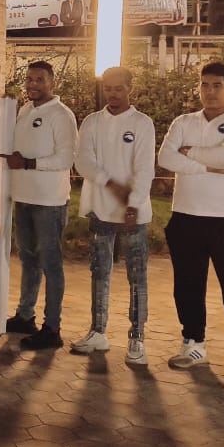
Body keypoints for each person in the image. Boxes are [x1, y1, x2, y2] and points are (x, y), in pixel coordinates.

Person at [158, 62, 224, 383]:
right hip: (186, 216)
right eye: (204, 85)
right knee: (187, 285)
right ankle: (193, 344)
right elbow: (165, 158)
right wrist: (207, 166)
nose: (210, 91)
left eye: (217, 85)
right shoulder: (183, 121)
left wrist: (189, 152)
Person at [72, 66, 156, 364]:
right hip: (100, 209)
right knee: (99, 273)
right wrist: (111, 184)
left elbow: (145, 168)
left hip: (134, 214)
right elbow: (83, 161)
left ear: (130, 88)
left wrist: (133, 202)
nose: (113, 94)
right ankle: (98, 332)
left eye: (119, 88)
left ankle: (137, 337)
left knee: (137, 276)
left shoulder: (142, 123)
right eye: (108, 88)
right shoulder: (92, 122)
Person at [1, 62, 77, 350]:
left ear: (52, 83)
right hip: (23, 198)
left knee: (51, 265)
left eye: (40, 80)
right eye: (30, 79)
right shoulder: (24, 110)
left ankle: (52, 328)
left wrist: (28, 163)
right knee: (29, 260)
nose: (33, 84)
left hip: (49, 202)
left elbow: (66, 159)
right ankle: (25, 316)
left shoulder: (61, 115)